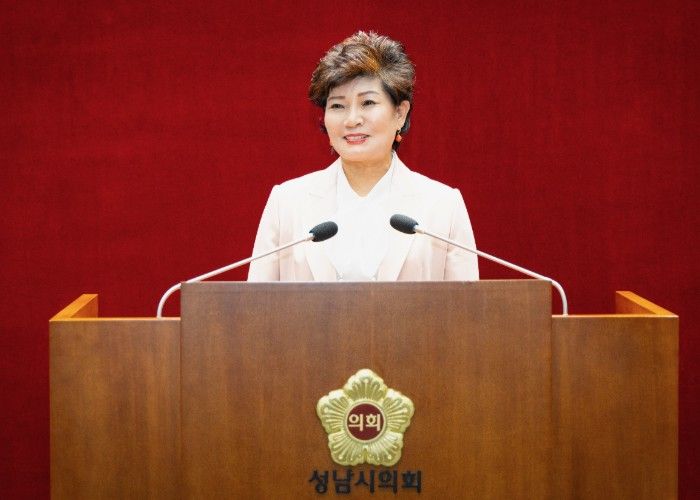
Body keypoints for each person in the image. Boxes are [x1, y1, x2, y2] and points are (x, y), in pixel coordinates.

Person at [248, 31, 478, 282]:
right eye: (337, 105)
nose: (352, 120)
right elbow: (257, 303)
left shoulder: (443, 206)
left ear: (400, 113)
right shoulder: (287, 203)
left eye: (368, 103)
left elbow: (466, 306)